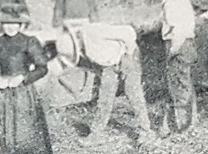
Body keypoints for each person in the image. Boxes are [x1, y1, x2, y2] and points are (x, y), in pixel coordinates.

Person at [0, 12, 56, 154]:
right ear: (2, 25)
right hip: (2, 92)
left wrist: (23, 78)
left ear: (21, 25)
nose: (10, 27)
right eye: (7, 23)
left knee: (25, 131)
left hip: (23, 93)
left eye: (15, 24)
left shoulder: (29, 41)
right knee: (0, 130)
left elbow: (42, 68)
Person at [51, 15, 154, 144]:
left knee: (133, 93)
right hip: (109, 65)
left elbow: (128, 32)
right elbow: (96, 66)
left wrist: (128, 55)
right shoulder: (83, 53)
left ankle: (146, 131)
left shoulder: (93, 31)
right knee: (105, 98)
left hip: (127, 56)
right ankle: (97, 134)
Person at [153, 0, 197, 134]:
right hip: (188, 44)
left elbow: (176, 27)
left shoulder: (170, 3)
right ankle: (189, 122)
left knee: (178, 84)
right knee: (185, 82)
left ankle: (181, 127)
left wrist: (173, 50)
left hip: (179, 44)